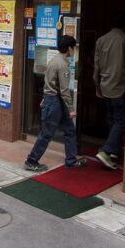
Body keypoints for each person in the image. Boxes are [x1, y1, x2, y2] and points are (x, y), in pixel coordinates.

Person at [24, 35, 87, 172]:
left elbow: (48, 82)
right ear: (69, 48)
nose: (74, 51)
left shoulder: (54, 60)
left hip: (52, 100)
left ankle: (71, 160)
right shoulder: (63, 64)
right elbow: (64, 90)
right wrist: (71, 108)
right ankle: (31, 160)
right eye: (73, 48)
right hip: (55, 102)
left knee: (69, 130)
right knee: (46, 134)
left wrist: (45, 98)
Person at [93, 11, 125, 169]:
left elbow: (96, 66)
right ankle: (107, 150)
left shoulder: (101, 40)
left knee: (111, 119)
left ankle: (112, 151)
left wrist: (97, 86)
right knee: (120, 121)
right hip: (120, 87)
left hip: (104, 85)